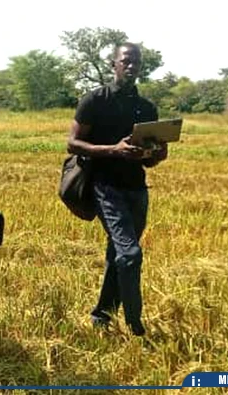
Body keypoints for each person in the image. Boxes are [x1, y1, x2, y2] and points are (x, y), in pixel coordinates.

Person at [67, 42, 169, 337]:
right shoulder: (96, 100)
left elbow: (151, 160)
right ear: (114, 64)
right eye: (126, 61)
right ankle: (135, 322)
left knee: (119, 255)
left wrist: (157, 154)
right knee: (131, 254)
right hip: (104, 187)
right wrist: (114, 150)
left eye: (136, 62)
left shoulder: (146, 107)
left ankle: (101, 315)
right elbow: (72, 144)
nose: (131, 66)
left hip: (136, 189)